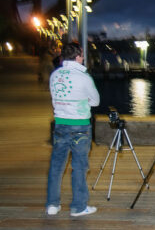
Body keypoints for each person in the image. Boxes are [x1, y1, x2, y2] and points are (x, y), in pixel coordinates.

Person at [45, 42, 100, 217]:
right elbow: (95, 101)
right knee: (79, 166)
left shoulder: (55, 75)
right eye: (82, 55)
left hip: (60, 123)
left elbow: (55, 97)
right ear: (77, 56)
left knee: (56, 166)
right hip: (80, 126)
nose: (83, 58)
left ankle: (52, 205)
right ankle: (78, 206)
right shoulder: (84, 77)